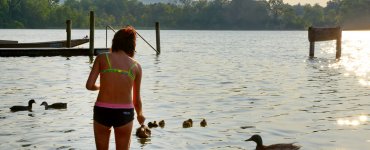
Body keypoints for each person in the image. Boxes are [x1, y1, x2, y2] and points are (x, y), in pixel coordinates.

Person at [86, 26, 145, 150]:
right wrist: (140, 115)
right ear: (131, 45)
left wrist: (100, 87)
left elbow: (89, 85)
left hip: (102, 111)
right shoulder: (136, 66)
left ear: (115, 41)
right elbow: (136, 100)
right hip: (124, 113)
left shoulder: (102, 58)